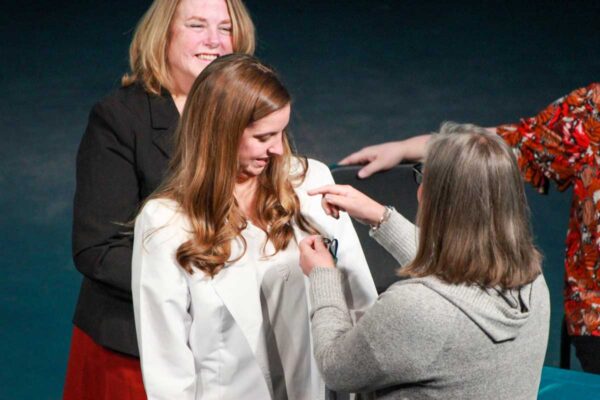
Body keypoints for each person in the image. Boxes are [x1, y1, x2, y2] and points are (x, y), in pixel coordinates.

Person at [131, 54, 377, 400]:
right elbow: (167, 367)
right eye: (263, 137)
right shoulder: (165, 222)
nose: (277, 149)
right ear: (220, 134)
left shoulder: (310, 182)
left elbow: (359, 300)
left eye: (281, 132)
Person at [64, 1, 256, 398]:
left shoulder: (250, 109)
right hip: (134, 348)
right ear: (163, 34)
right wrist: (198, 284)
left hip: (231, 342)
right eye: (197, 25)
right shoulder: (118, 118)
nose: (214, 41)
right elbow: (97, 249)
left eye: (225, 28)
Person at [340, 83, 600, 373]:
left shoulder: (409, 304)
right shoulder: (592, 108)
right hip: (594, 316)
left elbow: (337, 365)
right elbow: (509, 144)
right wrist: (403, 150)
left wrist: (322, 279)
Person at [299, 123, 551, 399]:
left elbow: (336, 368)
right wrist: (382, 217)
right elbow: (460, 277)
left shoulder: (416, 308)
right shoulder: (533, 280)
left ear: (431, 197)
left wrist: (323, 276)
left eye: (422, 178)